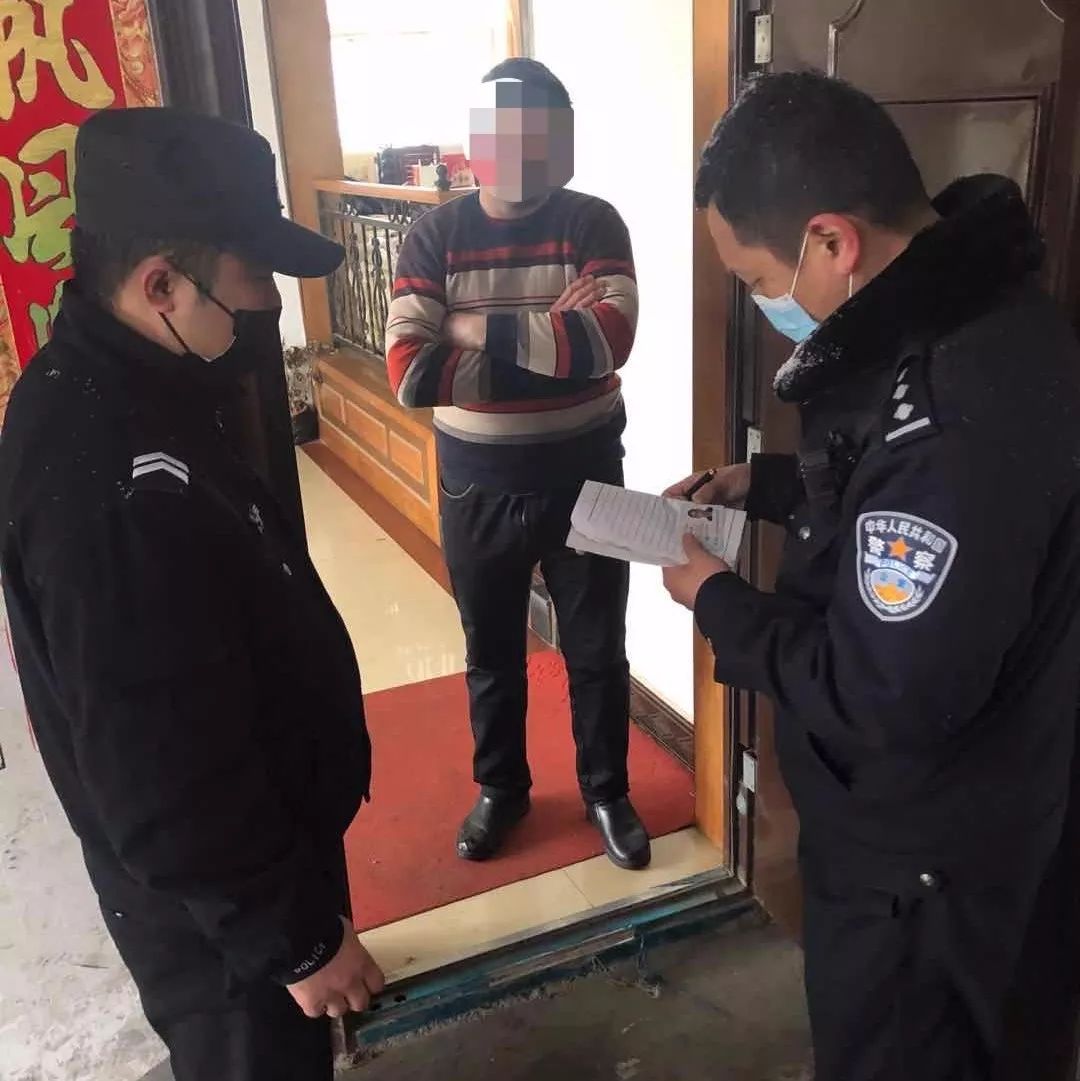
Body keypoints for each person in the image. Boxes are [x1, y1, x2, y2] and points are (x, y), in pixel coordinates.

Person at [663, 71, 1080, 1081]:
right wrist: (765, 485)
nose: (762, 306)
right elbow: (886, 497)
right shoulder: (976, 314)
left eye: (757, 280)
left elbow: (885, 690)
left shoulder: (951, 409)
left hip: (920, 871)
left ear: (831, 242)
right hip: (967, 819)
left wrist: (716, 599)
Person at [0, 108, 384, 1081]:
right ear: (160, 284)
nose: (266, 308)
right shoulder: (112, 481)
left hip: (242, 892)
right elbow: (161, 766)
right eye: (250, 281)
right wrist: (296, 939)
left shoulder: (130, 386)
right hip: (224, 936)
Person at [384, 58, 650, 870]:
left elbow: (609, 343)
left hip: (590, 471)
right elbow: (410, 374)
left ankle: (608, 790)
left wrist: (470, 329)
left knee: (598, 648)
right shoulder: (434, 236)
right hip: (478, 483)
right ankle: (502, 787)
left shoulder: (594, 223)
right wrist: (550, 341)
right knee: (491, 650)